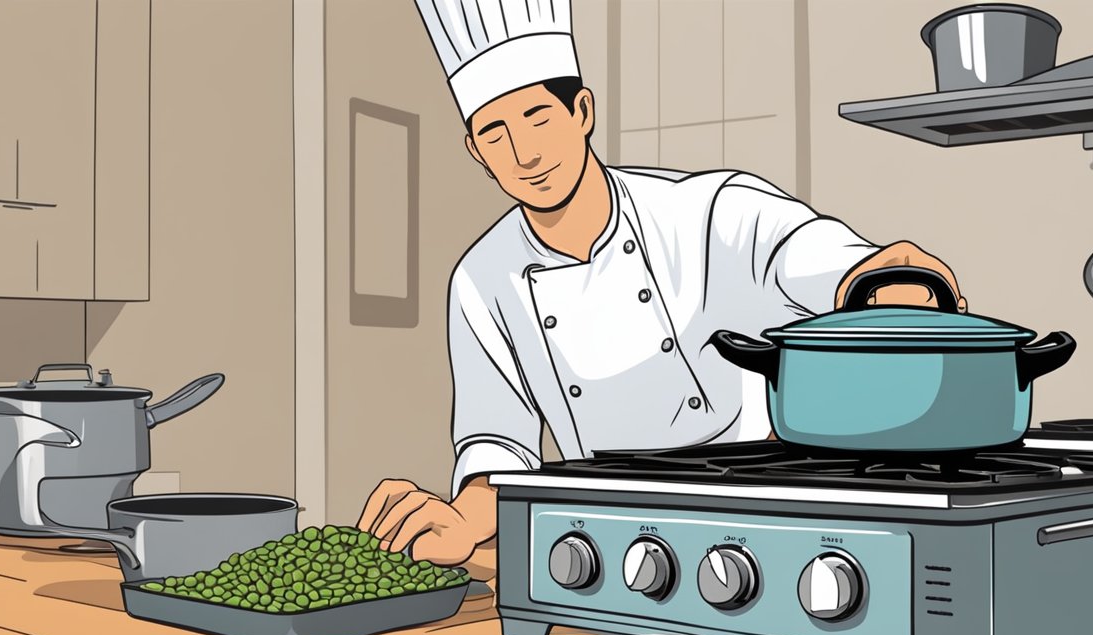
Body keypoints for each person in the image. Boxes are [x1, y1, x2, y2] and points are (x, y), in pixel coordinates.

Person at [359, 0, 967, 573]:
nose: (523, 152)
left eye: (538, 116)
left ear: (583, 112)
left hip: (767, 526)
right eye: (494, 133)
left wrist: (878, 276)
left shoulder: (708, 211)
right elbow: (497, 441)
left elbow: (809, 256)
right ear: (475, 151)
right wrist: (465, 517)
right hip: (602, 540)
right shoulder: (481, 278)